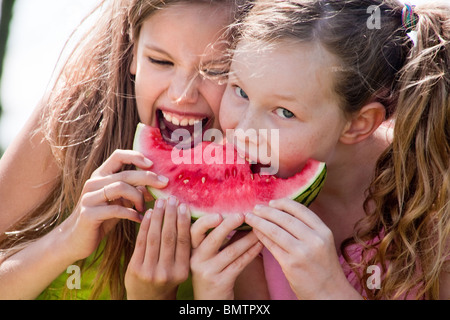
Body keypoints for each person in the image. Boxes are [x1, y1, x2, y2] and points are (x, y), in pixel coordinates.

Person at [190, 0, 449, 299]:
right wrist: (212, 298)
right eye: (241, 91)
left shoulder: (436, 208)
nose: (244, 132)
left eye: (285, 112)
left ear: (358, 124)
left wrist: (328, 290)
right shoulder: (245, 217)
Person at [0, 0, 252, 300]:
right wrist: (67, 239)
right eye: (161, 61)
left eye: (215, 70)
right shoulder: (72, 118)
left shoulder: (267, 164)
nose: (182, 95)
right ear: (133, 53)